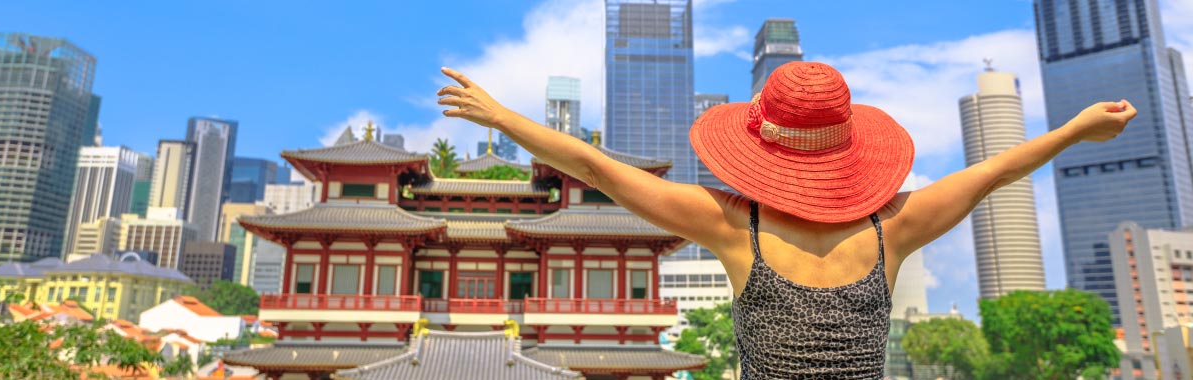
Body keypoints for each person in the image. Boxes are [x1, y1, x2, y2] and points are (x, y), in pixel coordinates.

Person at [436, 61, 1135, 379]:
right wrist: (1074, 129)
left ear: (761, 144)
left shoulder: (735, 227)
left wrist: (503, 119)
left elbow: (594, 170)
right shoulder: (897, 226)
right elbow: (995, 171)